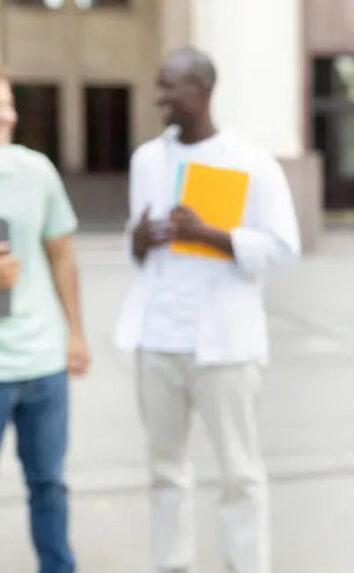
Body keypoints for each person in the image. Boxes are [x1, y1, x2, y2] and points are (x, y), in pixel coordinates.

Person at [114, 47, 300, 573]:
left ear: (202, 88)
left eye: (170, 86)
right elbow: (134, 244)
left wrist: (212, 236)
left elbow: (284, 247)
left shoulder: (250, 161)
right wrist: (139, 239)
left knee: (240, 474)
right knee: (164, 471)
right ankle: (171, 565)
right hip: (156, 340)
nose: (160, 98)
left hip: (225, 343)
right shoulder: (147, 160)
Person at [0, 62, 89, 573]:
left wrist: (76, 334)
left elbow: (61, 254)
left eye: (9, 103)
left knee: (50, 486)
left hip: (42, 364)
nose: (7, 115)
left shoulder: (35, 171)